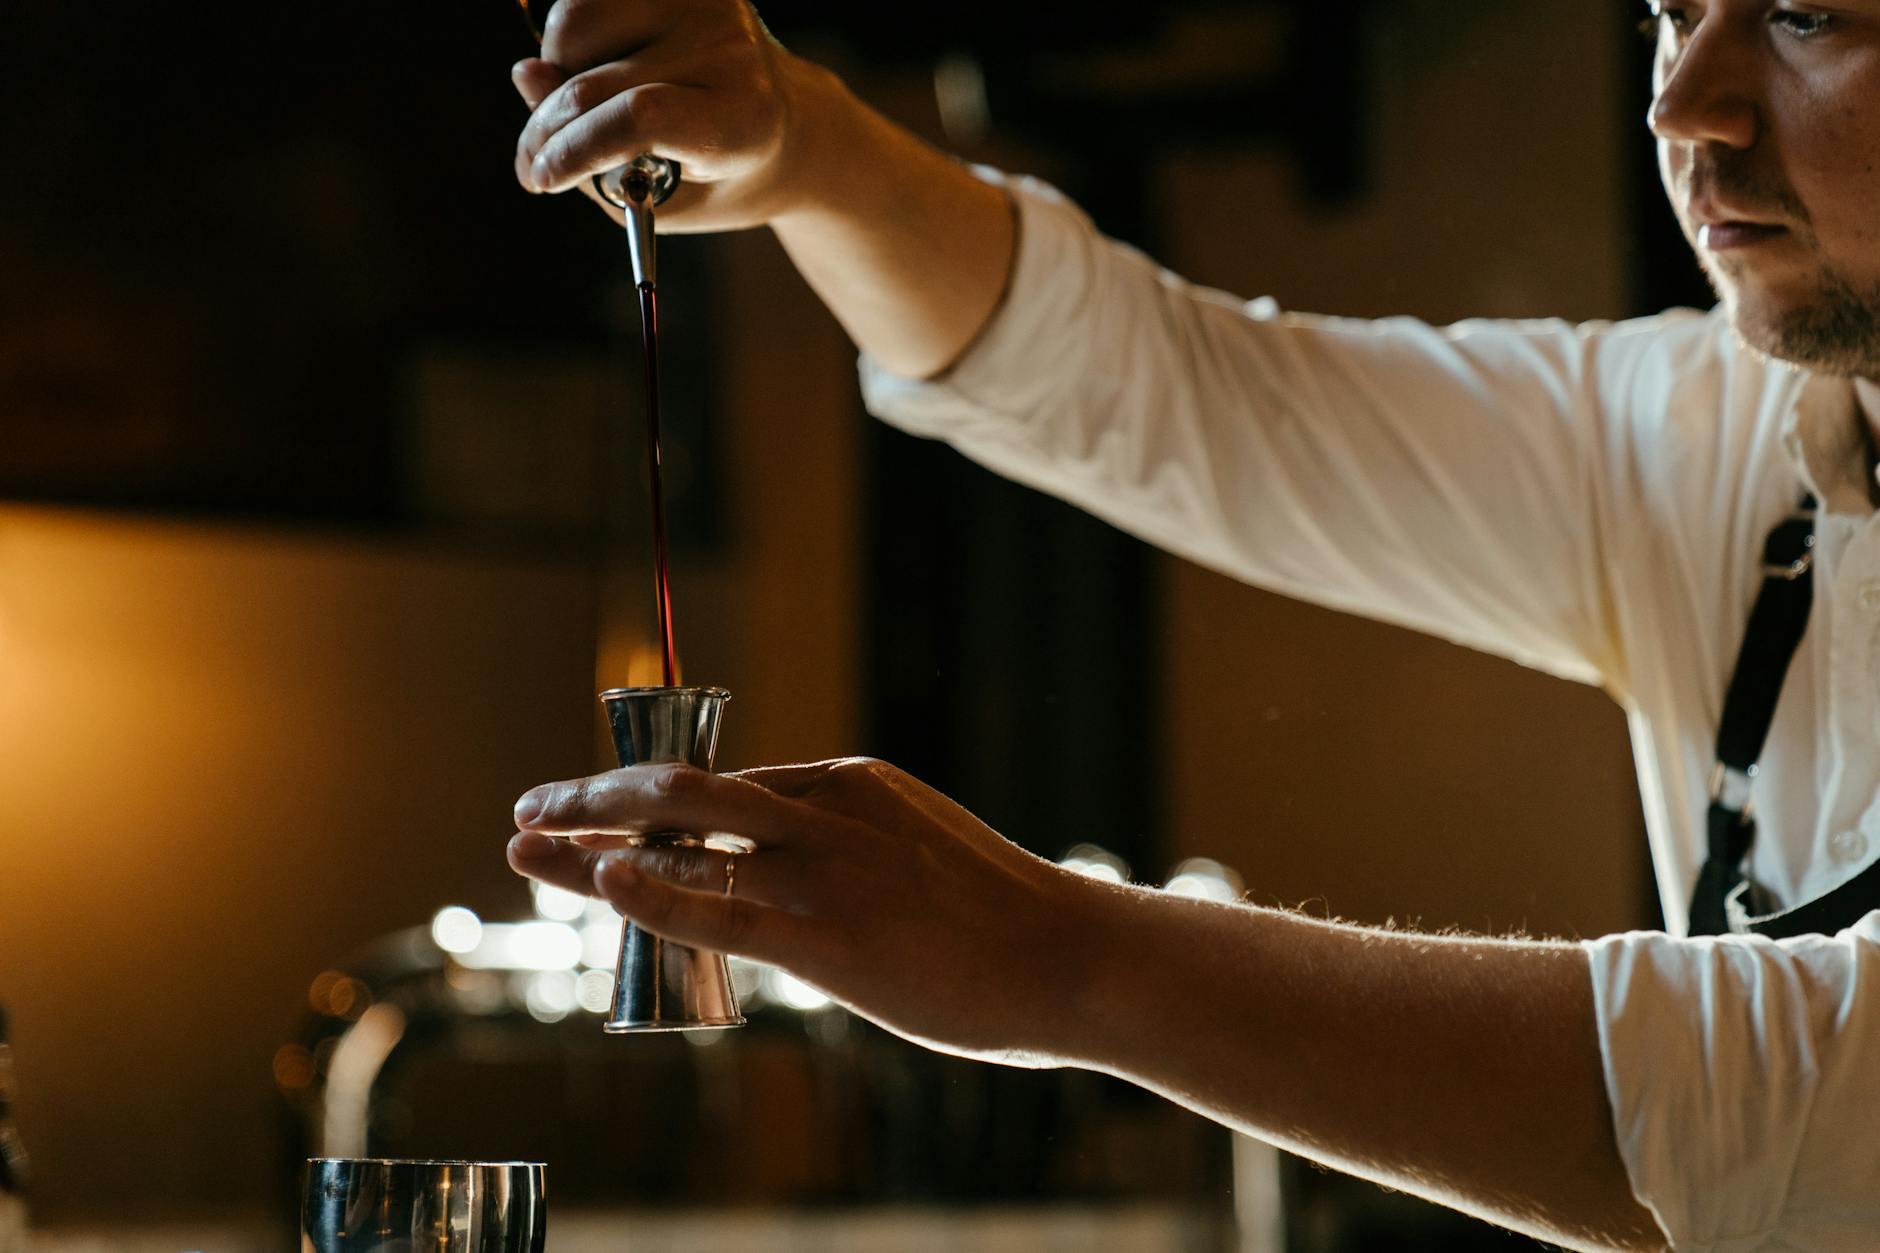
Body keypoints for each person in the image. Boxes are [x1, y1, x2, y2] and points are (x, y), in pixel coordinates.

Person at [501, 1, 1880, 1248]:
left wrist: (1063, 957)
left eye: (1808, 16)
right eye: (1670, 13)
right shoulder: (1723, 435)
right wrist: (806, 149)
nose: (1684, 100)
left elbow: (1799, 1097)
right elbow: (1176, 391)